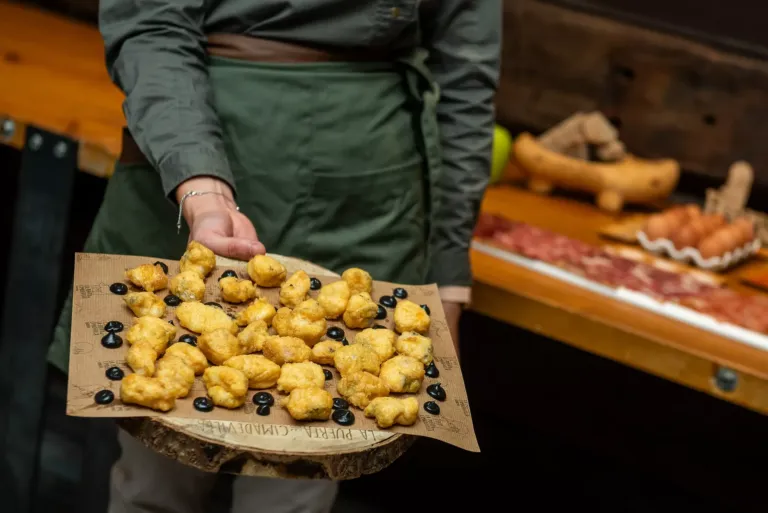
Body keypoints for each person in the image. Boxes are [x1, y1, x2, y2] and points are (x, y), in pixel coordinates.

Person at [48, 0, 500, 511]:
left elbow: (465, 81)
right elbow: (151, 21)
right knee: (156, 476)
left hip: (363, 199)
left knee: (296, 491)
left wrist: (448, 281)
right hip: (199, 146)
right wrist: (201, 186)